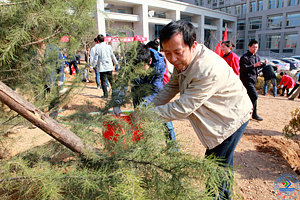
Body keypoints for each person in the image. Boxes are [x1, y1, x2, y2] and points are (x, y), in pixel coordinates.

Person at [151, 20, 252, 199]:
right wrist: (148, 108)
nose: (172, 59)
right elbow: (171, 87)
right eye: (167, 53)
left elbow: (183, 108)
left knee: (214, 167)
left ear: (193, 45)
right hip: (221, 113)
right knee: (221, 165)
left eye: (177, 52)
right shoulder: (182, 62)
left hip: (232, 117)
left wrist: (147, 116)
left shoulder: (206, 68)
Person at [240, 40, 267, 121]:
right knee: (254, 95)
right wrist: (254, 65)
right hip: (246, 80)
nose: (255, 49)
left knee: (247, 97)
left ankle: (245, 113)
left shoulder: (257, 57)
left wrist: (263, 64)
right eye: (254, 47)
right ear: (249, 47)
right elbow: (243, 68)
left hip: (253, 80)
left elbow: (258, 68)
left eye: (256, 47)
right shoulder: (244, 57)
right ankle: (254, 114)